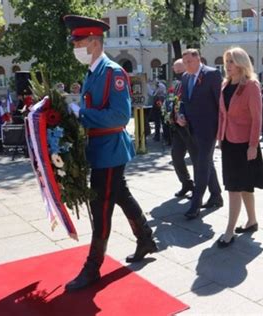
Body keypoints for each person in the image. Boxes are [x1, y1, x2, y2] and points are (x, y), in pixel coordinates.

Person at [64, 15, 157, 291]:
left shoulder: (113, 72)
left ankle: (93, 267)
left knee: (101, 206)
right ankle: (146, 238)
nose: (76, 47)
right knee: (120, 194)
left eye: (79, 42)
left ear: (94, 41)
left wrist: (83, 113)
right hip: (98, 149)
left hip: (110, 150)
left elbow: (120, 115)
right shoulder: (92, 72)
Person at [216, 47, 263, 247]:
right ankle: (252, 220)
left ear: (241, 63)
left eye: (231, 61)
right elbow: (223, 114)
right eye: (226, 61)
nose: (227, 65)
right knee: (243, 185)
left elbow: (257, 119)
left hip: (245, 143)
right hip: (228, 141)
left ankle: (229, 230)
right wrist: (220, 136)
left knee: (234, 187)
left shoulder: (251, 86)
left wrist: (253, 145)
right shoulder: (225, 84)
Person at [177, 48, 223, 219]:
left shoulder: (212, 75)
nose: (186, 65)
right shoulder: (185, 77)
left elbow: (220, 102)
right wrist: (181, 114)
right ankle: (216, 196)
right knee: (206, 162)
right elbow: (184, 100)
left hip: (208, 128)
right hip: (190, 128)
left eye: (189, 62)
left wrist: (221, 130)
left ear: (198, 60)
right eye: (185, 62)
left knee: (201, 164)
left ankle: (196, 203)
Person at [169, 58, 197, 197]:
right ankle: (186, 183)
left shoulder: (191, 82)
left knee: (196, 158)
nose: (177, 73)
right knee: (176, 156)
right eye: (176, 71)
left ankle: (201, 188)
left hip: (189, 127)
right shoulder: (178, 84)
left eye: (180, 71)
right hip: (177, 127)